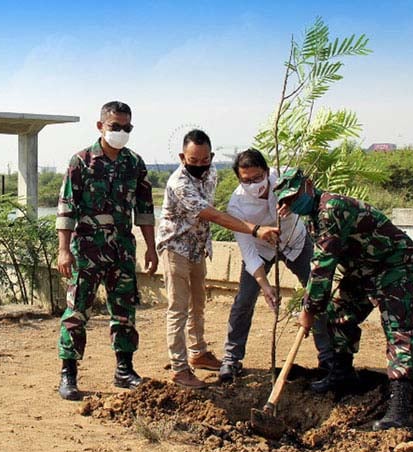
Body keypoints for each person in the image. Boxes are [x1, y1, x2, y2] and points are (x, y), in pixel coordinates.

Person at [274, 167, 413, 430]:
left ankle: (401, 406)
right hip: (362, 268)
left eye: (295, 196)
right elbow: (323, 262)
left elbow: (323, 267)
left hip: (394, 264)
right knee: (338, 313)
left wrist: (308, 309)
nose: (293, 203)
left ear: (308, 186)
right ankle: (342, 375)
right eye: (287, 201)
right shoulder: (312, 218)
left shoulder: (331, 208)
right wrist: (316, 307)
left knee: (398, 329)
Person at [156, 131, 280, 389]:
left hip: (197, 248)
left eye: (204, 160)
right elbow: (213, 215)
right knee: (178, 309)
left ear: (211, 157)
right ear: (182, 157)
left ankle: (198, 351)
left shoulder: (211, 173)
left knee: (198, 305)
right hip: (175, 248)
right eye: (193, 160)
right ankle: (180, 369)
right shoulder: (179, 183)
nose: (199, 166)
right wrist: (256, 230)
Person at [56, 101, 158, 401]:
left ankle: (124, 370)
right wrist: (63, 250)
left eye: (127, 128)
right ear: (100, 126)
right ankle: (69, 374)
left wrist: (150, 248)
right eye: (115, 126)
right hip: (86, 248)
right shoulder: (82, 161)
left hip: (122, 249)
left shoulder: (134, 163)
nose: (121, 132)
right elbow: (66, 207)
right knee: (76, 312)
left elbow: (144, 210)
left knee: (124, 310)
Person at [220, 149, 334, 383]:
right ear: (239, 179)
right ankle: (231, 359)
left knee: (317, 293)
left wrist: (294, 203)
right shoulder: (237, 206)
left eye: (258, 177)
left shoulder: (284, 179)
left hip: (296, 243)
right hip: (260, 251)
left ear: (267, 170)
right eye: (247, 180)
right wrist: (265, 285)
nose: (254, 184)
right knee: (244, 300)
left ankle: (328, 358)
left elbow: (309, 194)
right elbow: (248, 252)